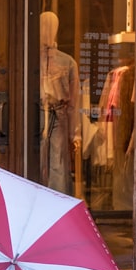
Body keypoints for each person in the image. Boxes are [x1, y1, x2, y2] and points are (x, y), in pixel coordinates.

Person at [39, 11, 81, 194]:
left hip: (59, 113)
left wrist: (75, 133)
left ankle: (55, 202)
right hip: (38, 113)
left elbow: (74, 101)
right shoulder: (30, 59)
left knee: (58, 163)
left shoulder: (67, 62)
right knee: (37, 159)